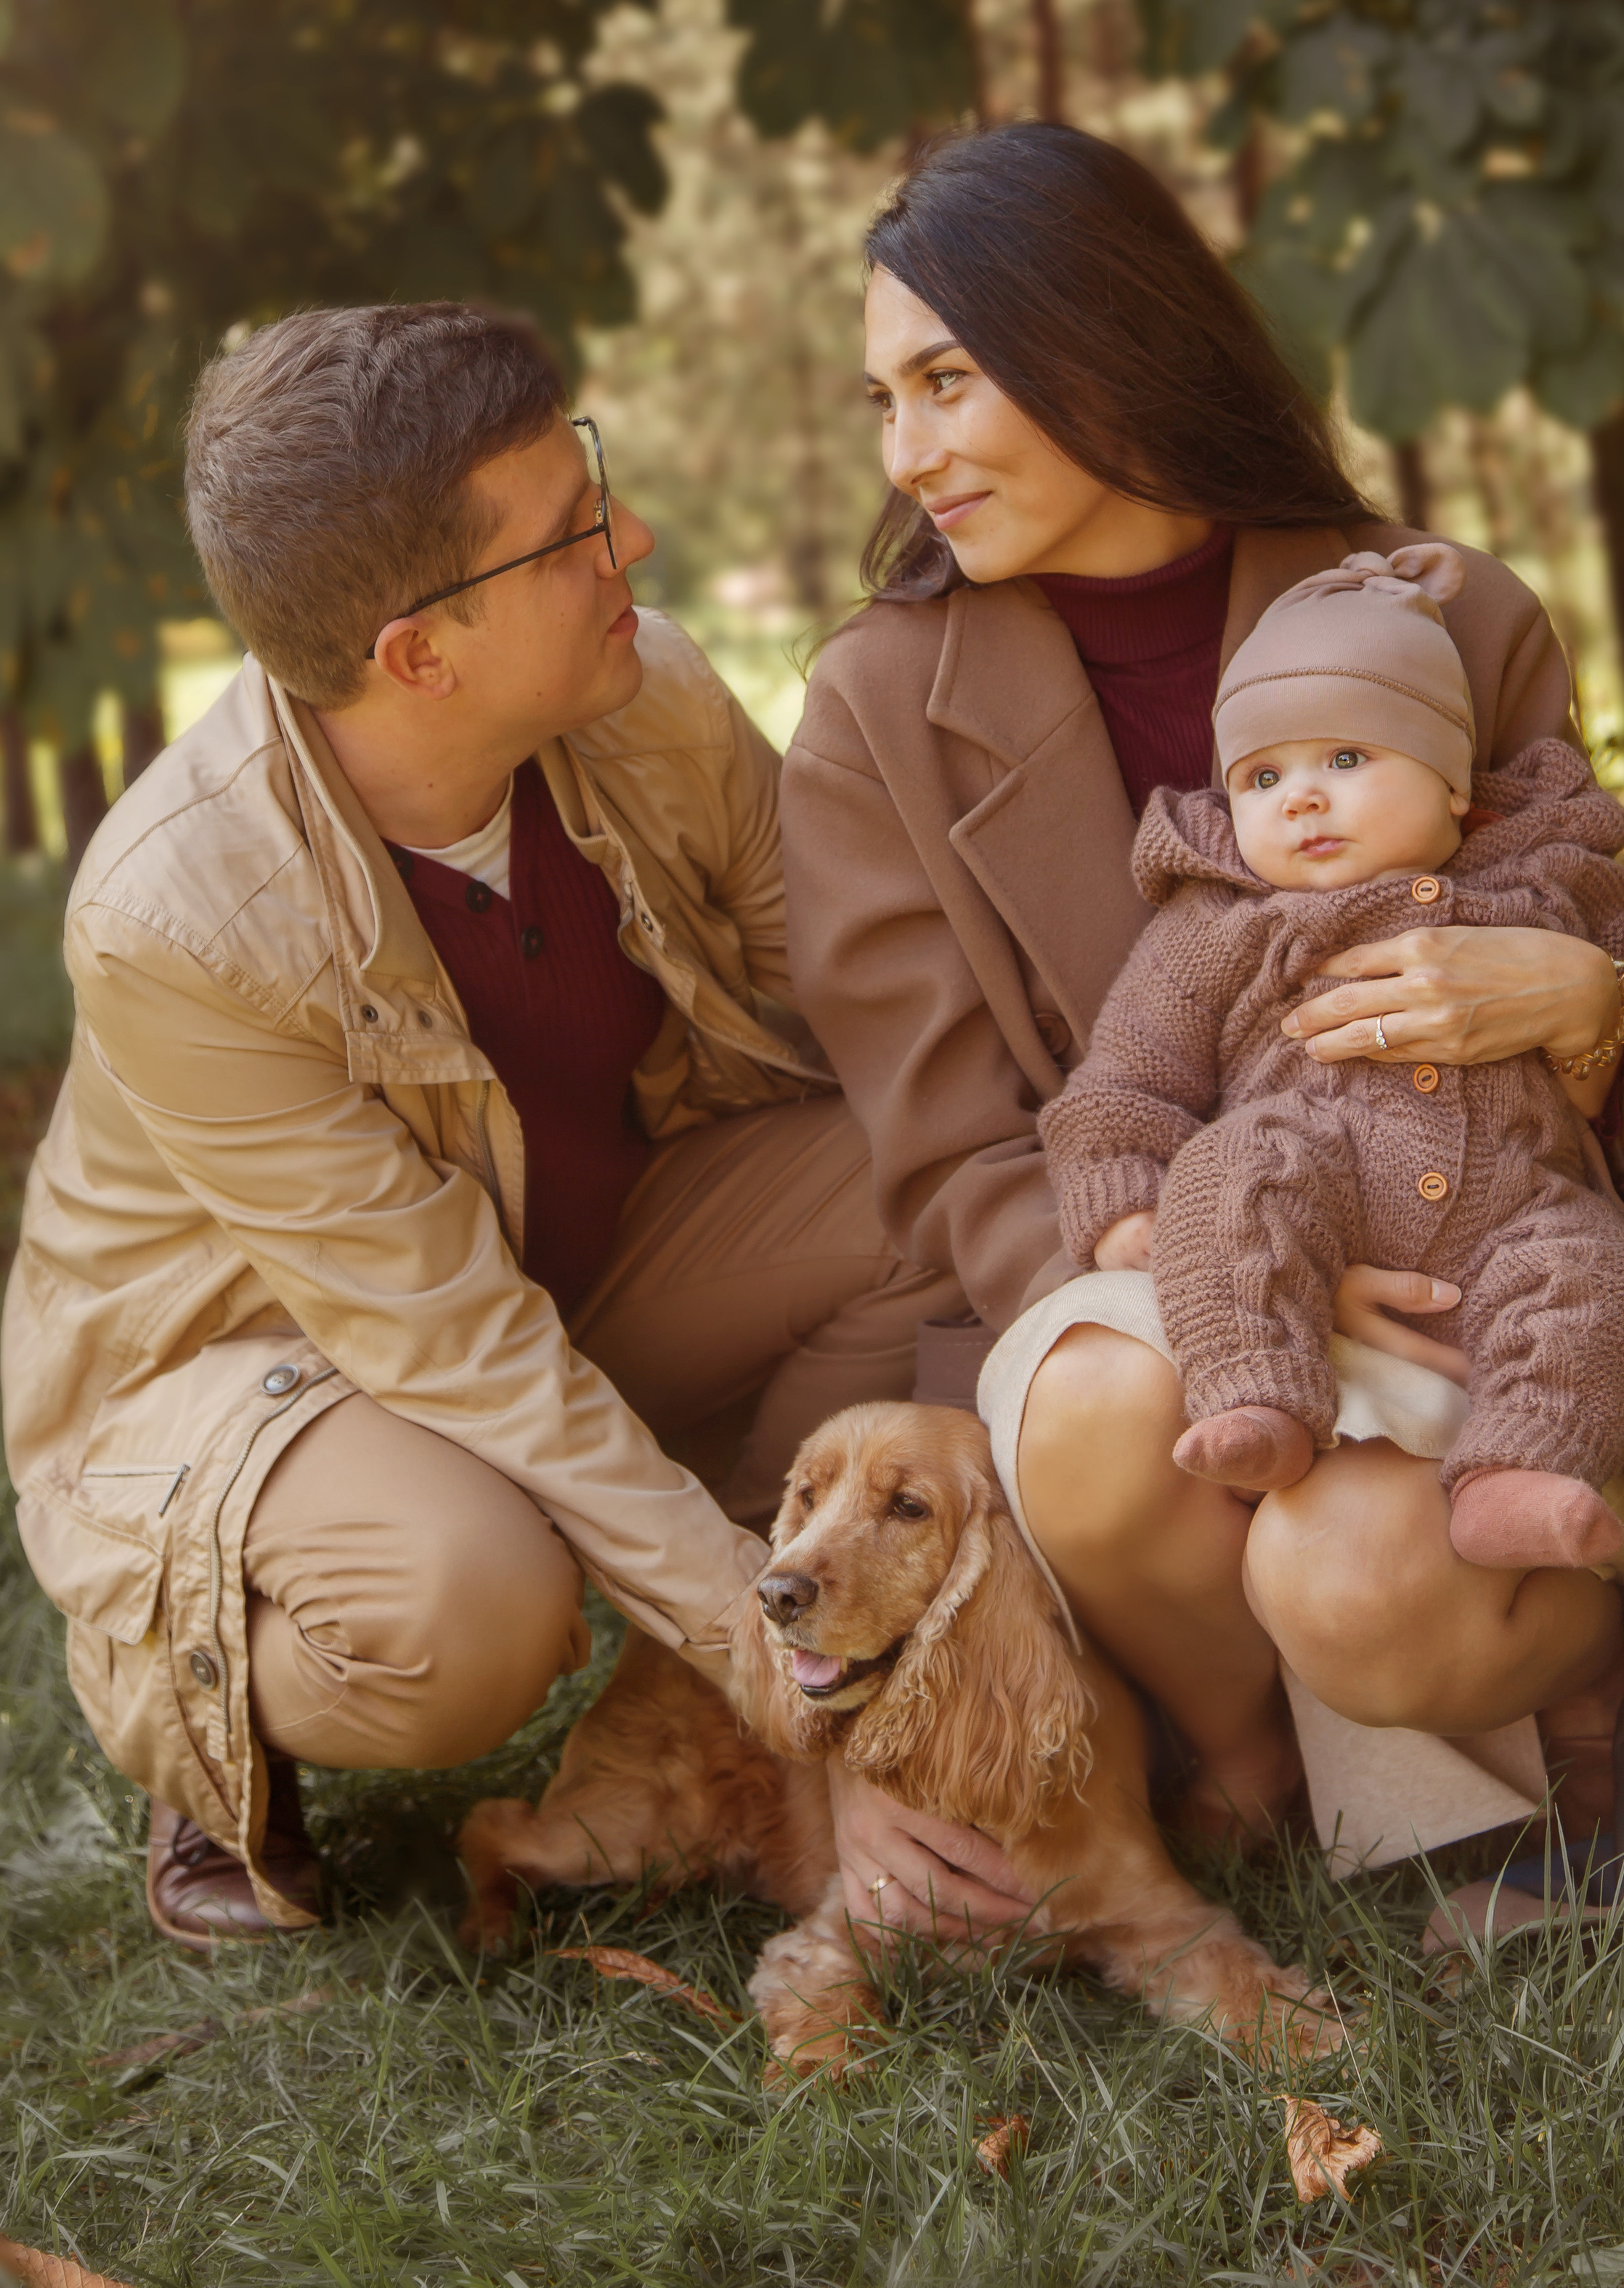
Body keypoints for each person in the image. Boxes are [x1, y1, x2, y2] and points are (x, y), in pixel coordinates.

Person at [779, 121, 1624, 1944]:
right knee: (1113, 1406)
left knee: (1368, 1581)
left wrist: (1583, 1018)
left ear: (1097, 336)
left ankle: (1611, 1685)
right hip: (1152, 1275)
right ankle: (1248, 1770)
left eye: (949, 382)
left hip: (1490, 1245)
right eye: (884, 401)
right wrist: (1206, 1259)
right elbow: (951, 1147)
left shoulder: (1445, 609)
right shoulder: (874, 704)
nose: (910, 454)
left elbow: (1596, 930)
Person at [1, 302, 964, 1950]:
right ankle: (196, 1668)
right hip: (273, 1368)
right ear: (418, 657)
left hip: (566, 1261)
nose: (631, 541)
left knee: (919, 1191)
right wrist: (781, 1657)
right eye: (572, 531)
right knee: (470, 1601)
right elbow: (453, 1344)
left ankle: (731, 1646)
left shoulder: (640, 689)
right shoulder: (176, 917)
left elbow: (851, 1014)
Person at [1040, 543, 1624, 1575]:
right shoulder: (1220, 926)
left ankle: (1520, 1474)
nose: (1302, 799)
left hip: (1521, 1204)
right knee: (1228, 1178)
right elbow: (1129, 1075)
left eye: (1347, 760)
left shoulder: (1554, 880)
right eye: (1265, 777)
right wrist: (1122, 1195)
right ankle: (1257, 1396)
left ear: (1454, 789)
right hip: (1308, 1173)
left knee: (1601, 1291)